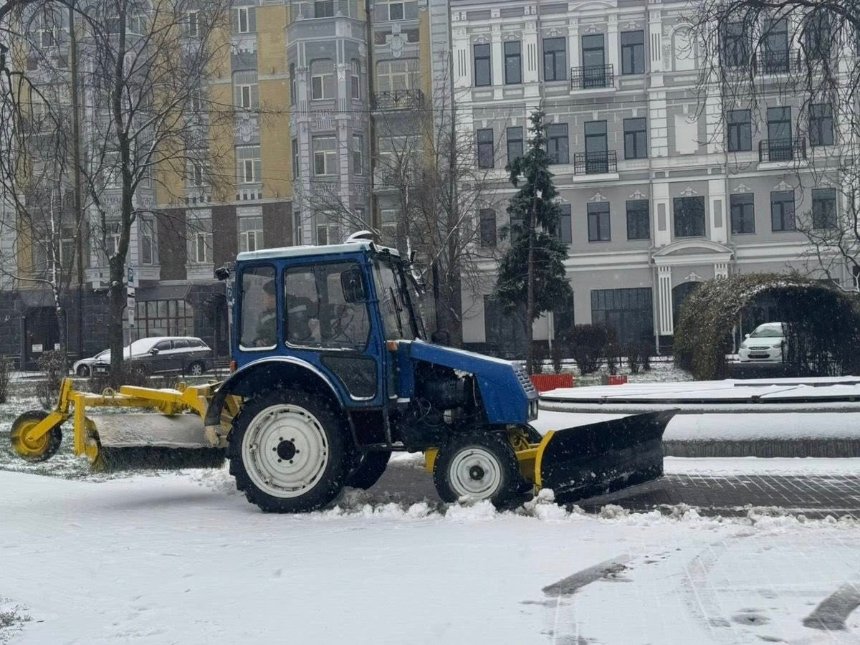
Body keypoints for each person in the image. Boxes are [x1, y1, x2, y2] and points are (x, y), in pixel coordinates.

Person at [255, 279, 278, 346]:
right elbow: (259, 334)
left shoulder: (291, 312)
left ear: (273, 298)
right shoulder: (263, 317)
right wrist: (258, 341)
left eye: (265, 296)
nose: (263, 299)